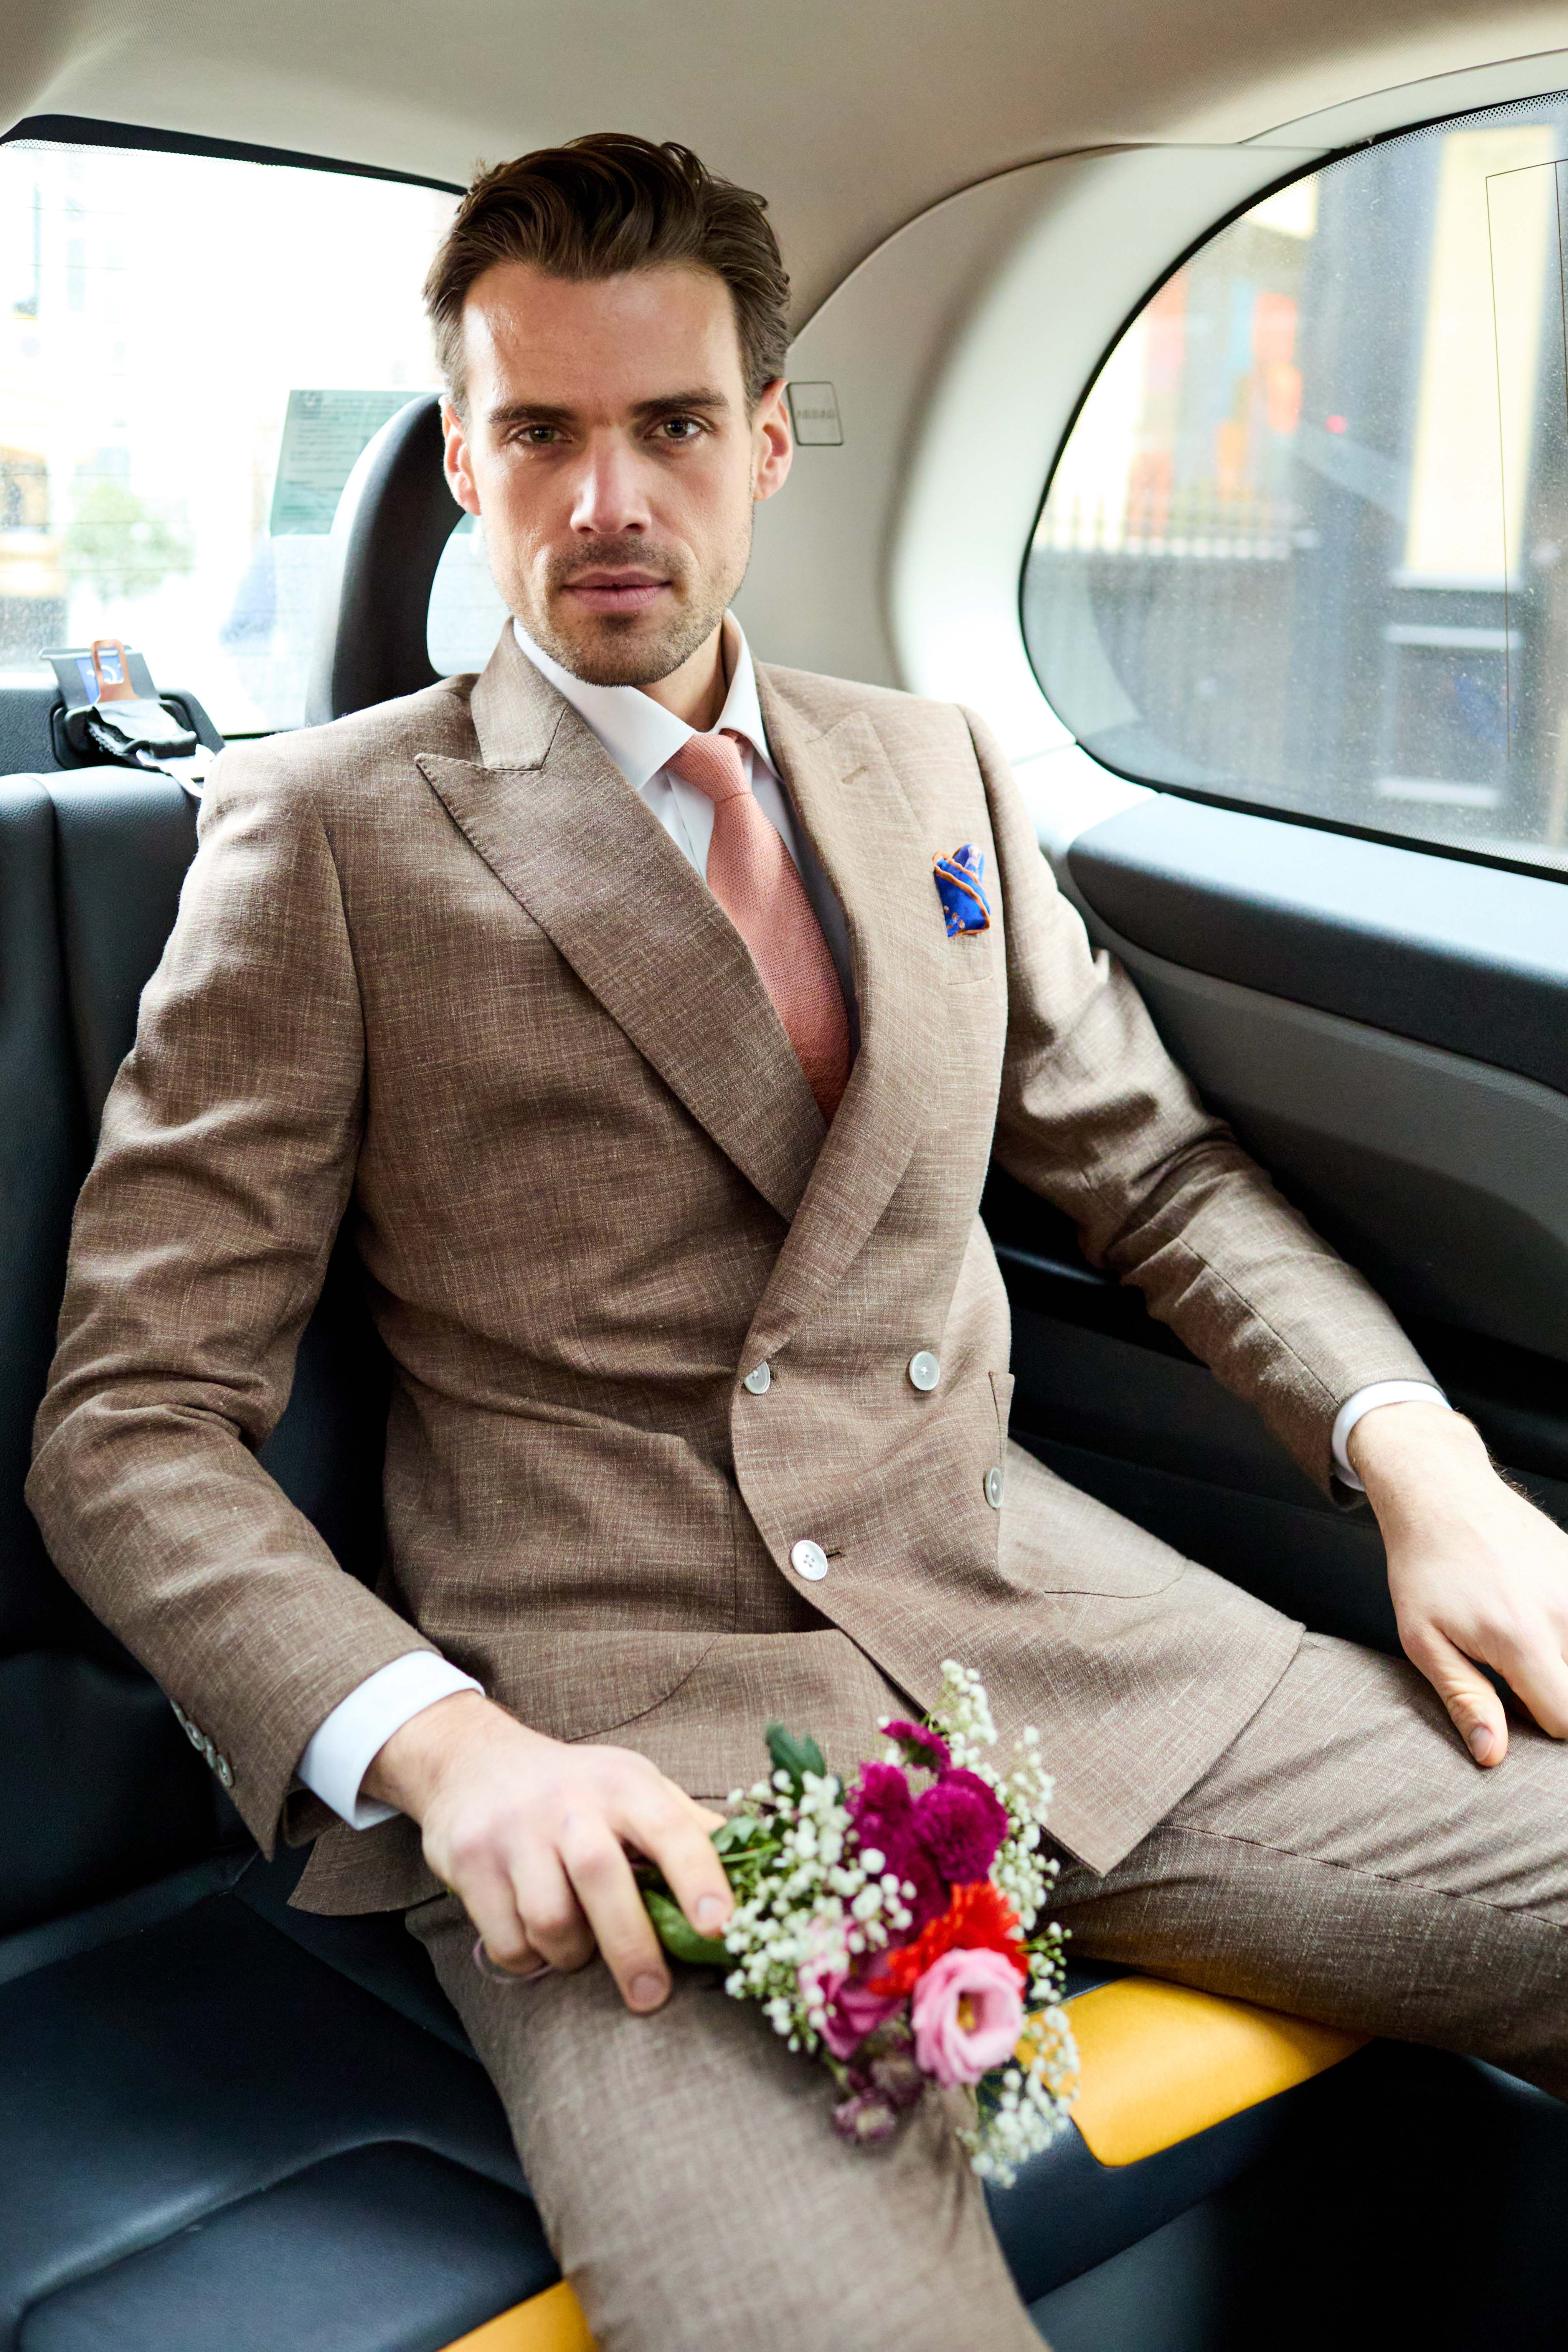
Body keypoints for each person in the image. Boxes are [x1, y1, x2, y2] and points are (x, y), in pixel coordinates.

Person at [28, 134, 1568, 2350]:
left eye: (669, 425)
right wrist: (449, 1752)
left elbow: (1155, 1176)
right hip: (627, 1758)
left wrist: (1423, 1463)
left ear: (761, 440)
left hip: (1065, 1637)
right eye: (540, 434)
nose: (607, 500)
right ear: (462, 459)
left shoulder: (933, 770)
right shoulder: (326, 832)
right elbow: (132, 1425)